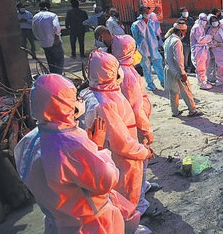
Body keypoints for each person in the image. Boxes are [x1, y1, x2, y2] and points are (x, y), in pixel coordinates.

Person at [14, 74, 125, 234]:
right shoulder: (70, 144)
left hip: (60, 229)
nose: (78, 102)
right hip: (91, 231)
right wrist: (97, 147)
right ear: (62, 104)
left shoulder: (29, 140)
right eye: (72, 98)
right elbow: (106, 180)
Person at [80, 51, 153, 219]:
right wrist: (143, 151)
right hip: (123, 157)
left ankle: (131, 229)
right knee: (127, 196)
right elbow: (121, 142)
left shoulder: (97, 94)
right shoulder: (105, 103)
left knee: (123, 195)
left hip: (118, 153)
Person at [109, 34, 162, 217]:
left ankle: (143, 186)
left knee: (142, 162)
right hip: (135, 127)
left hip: (133, 125)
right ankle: (139, 205)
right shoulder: (128, 75)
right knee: (136, 165)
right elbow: (136, 107)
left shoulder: (121, 70)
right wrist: (146, 130)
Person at [163, 21, 203, 117]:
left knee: (173, 91)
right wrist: (182, 72)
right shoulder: (176, 41)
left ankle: (175, 111)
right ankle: (192, 110)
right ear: (181, 31)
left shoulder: (168, 39)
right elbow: (178, 59)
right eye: (184, 32)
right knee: (186, 90)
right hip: (177, 71)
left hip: (169, 69)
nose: (185, 34)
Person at [131, 5, 165, 91]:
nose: (147, 13)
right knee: (146, 66)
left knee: (158, 64)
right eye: (145, 12)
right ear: (141, 13)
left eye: (148, 12)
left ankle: (163, 81)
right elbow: (135, 37)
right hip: (143, 48)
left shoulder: (151, 23)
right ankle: (150, 83)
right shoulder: (136, 25)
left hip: (153, 47)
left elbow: (154, 34)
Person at [32, 2, 65, 74]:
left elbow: (34, 31)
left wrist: (40, 39)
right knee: (59, 61)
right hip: (54, 42)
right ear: (48, 8)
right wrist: (56, 37)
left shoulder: (35, 17)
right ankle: (59, 78)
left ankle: (53, 77)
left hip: (44, 44)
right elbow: (56, 27)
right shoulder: (52, 15)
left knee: (51, 63)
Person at [206, 14, 223, 86]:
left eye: (215, 20)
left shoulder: (222, 26)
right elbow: (209, 42)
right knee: (221, 65)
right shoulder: (210, 31)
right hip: (218, 49)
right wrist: (217, 44)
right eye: (213, 21)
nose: (215, 22)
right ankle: (220, 79)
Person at [190, 13, 213, 90]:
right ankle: (202, 82)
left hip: (202, 49)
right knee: (201, 66)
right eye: (204, 20)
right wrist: (209, 37)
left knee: (203, 66)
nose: (205, 22)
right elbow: (200, 39)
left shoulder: (201, 27)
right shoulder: (197, 27)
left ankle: (202, 80)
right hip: (198, 50)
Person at [177, 6, 196, 73]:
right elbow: (182, 29)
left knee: (193, 56)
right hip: (184, 41)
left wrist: (187, 28)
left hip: (192, 40)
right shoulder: (180, 20)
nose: (186, 13)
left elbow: (193, 28)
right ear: (181, 13)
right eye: (184, 11)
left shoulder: (190, 19)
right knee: (185, 56)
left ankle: (193, 68)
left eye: (186, 11)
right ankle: (184, 69)